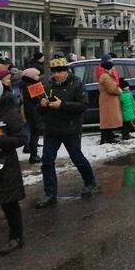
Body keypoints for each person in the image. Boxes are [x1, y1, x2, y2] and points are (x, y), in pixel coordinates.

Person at [37, 57, 97, 208]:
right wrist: (42, 105)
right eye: (54, 72)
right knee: (47, 161)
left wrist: (62, 105)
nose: (56, 75)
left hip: (70, 129)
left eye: (60, 72)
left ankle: (90, 181)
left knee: (77, 158)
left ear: (66, 71)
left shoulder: (77, 84)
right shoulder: (48, 85)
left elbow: (83, 106)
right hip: (51, 129)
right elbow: (39, 110)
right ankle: (50, 193)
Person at [0, 78, 27, 255]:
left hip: (4, 164)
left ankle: (16, 237)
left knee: (9, 202)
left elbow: (20, 139)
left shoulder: (9, 113)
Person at [20, 68, 44, 163]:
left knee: (34, 133)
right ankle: (33, 155)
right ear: (31, 77)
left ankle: (33, 153)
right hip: (34, 113)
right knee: (35, 133)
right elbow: (39, 99)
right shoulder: (31, 86)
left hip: (31, 112)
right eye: (36, 75)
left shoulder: (26, 85)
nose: (38, 77)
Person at [98, 58, 123, 145]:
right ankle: (106, 139)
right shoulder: (106, 77)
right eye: (113, 67)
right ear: (109, 68)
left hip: (107, 101)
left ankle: (108, 137)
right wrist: (120, 90)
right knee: (107, 121)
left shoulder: (105, 76)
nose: (114, 68)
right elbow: (112, 89)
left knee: (107, 121)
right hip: (108, 101)